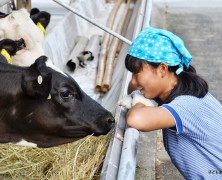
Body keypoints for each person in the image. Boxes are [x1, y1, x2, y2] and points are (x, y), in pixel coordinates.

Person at [120, 26, 222, 179]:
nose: (133, 80)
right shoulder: (181, 88)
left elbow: (136, 119)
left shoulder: (185, 106)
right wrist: (139, 86)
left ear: (162, 69)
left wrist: (139, 100)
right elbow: (132, 87)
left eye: (136, 72)